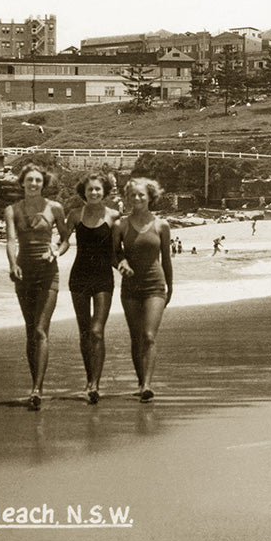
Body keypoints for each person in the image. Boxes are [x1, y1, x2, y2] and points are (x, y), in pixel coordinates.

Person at [4, 164, 67, 410]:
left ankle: (37, 389)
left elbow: (64, 240)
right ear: (22, 183)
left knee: (41, 329)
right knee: (31, 331)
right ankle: (35, 384)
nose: (33, 184)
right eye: (29, 180)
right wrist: (12, 264)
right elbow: (10, 240)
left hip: (47, 272)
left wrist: (55, 251)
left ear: (44, 183)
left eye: (38, 181)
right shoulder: (12, 210)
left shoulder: (55, 208)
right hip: (23, 273)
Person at [57, 173, 119, 404]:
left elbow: (116, 251)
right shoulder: (74, 215)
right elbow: (63, 242)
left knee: (96, 331)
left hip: (104, 278)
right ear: (84, 192)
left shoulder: (114, 216)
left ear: (104, 191)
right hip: (79, 278)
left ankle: (95, 384)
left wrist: (128, 266)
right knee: (84, 331)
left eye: (98, 189)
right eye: (90, 189)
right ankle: (89, 379)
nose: (94, 193)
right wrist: (55, 253)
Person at [113, 177, 173, 403]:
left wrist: (171, 286)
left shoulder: (161, 225)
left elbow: (166, 259)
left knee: (149, 336)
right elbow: (114, 253)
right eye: (132, 195)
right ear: (127, 198)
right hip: (130, 287)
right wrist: (122, 263)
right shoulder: (121, 225)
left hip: (155, 285)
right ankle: (141, 383)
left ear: (150, 197)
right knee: (136, 337)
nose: (137, 198)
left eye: (141, 195)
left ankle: (147, 384)